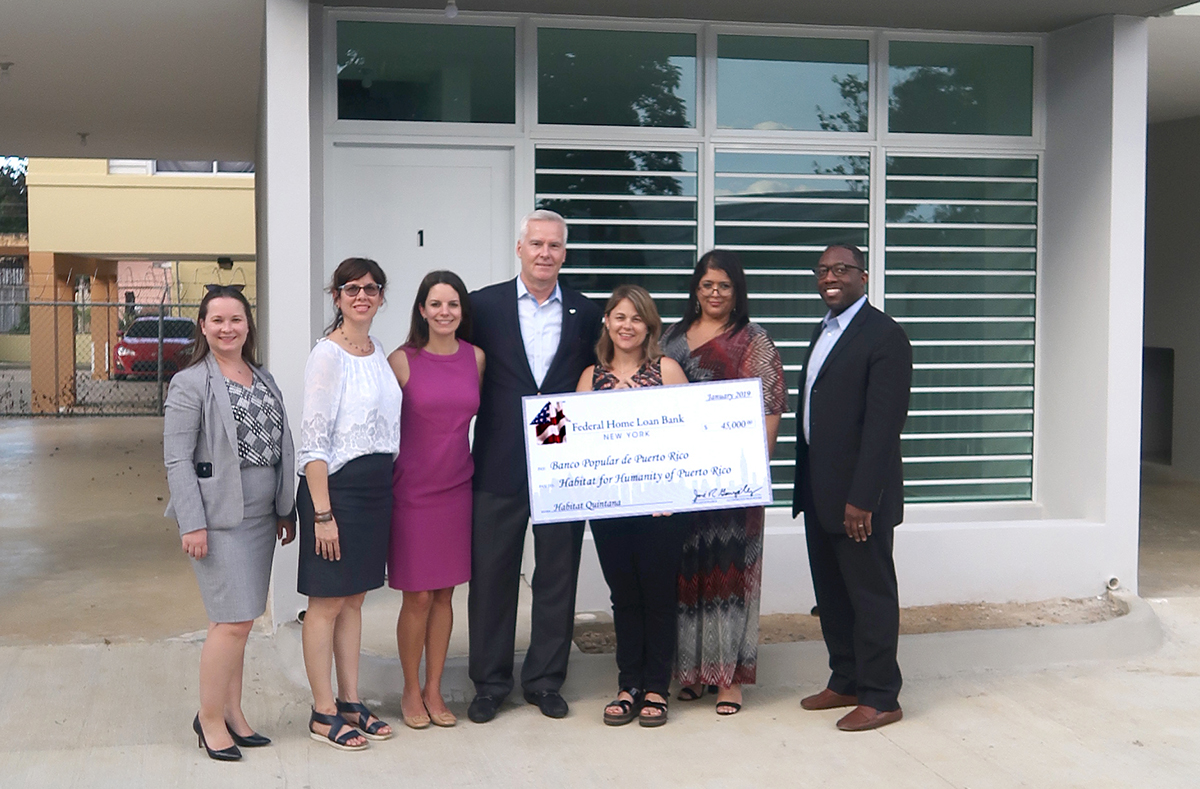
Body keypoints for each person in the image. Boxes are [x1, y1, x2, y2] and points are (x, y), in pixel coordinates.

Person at [466, 209, 603, 723]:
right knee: (492, 576)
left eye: (555, 246)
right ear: (519, 248)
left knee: (557, 576)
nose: (546, 253)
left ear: (565, 254)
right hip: (498, 462)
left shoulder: (588, 314)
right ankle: (489, 683)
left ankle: (545, 680)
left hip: (562, 466)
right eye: (537, 244)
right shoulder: (482, 307)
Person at [163, 284, 296, 762]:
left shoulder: (262, 377)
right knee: (232, 622)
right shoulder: (190, 382)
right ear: (203, 326)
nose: (226, 328)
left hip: (262, 516)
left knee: (239, 620)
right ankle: (209, 718)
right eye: (217, 320)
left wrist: (286, 509)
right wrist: (191, 524)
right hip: (218, 521)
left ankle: (235, 714)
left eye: (235, 319)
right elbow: (177, 459)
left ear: (247, 326)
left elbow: (282, 446)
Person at [791, 243, 912, 732]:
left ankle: (882, 695)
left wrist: (863, 498)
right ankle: (846, 679)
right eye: (822, 270)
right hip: (821, 494)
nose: (830, 277)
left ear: (863, 275)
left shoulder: (884, 336)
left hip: (860, 501)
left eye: (841, 269)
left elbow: (884, 426)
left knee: (870, 597)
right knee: (833, 595)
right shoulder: (824, 331)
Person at [661, 249, 788, 716]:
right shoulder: (670, 339)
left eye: (724, 286)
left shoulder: (753, 340)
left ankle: (730, 679)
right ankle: (692, 673)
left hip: (734, 482)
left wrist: (755, 466)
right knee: (687, 575)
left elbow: (770, 407)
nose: (715, 293)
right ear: (696, 289)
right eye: (707, 284)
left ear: (737, 293)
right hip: (682, 482)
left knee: (730, 575)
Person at [297, 257, 401, 751]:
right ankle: (322, 711)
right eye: (351, 288)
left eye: (371, 288)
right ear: (336, 296)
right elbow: (313, 441)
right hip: (335, 492)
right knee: (326, 603)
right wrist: (322, 514)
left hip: (376, 491)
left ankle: (351, 700)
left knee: (356, 599)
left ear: (382, 296)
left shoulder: (378, 349)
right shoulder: (327, 355)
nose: (362, 295)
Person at [575, 285, 689, 727]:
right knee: (624, 596)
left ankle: (657, 687)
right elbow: (569, 444)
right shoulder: (590, 377)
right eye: (619, 316)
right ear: (607, 322)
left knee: (659, 595)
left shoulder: (668, 370)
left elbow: (687, 440)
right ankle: (629, 685)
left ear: (649, 326)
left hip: (661, 507)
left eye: (636, 318)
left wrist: (674, 495)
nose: (627, 325)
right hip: (609, 508)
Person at [387, 270, 485, 730]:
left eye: (453, 305)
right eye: (436, 304)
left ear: (462, 312)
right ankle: (410, 688)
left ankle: (434, 689)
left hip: (456, 489)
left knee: (445, 594)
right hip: (411, 491)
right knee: (418, 595)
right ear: (422, 310)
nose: (444, 312)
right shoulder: (401, 361)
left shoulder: (477, 358)